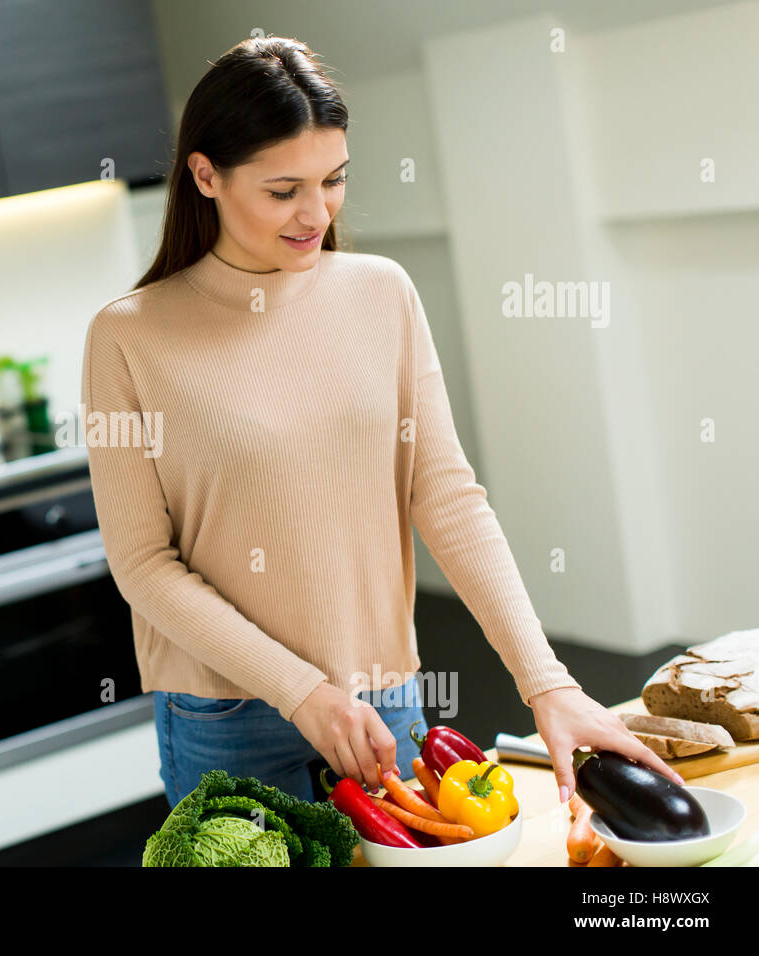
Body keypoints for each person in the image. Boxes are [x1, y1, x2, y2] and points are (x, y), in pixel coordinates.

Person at [80, 35, 683, 810]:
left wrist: (548, 685)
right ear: (205, 175)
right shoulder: (130, 335)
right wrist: (299, 691)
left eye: (332, 180)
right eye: (282, 189)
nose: (315, 212)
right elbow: (143, 566)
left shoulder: (381, 294)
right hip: (224, 716)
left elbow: (447, 497)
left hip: (381, 701)